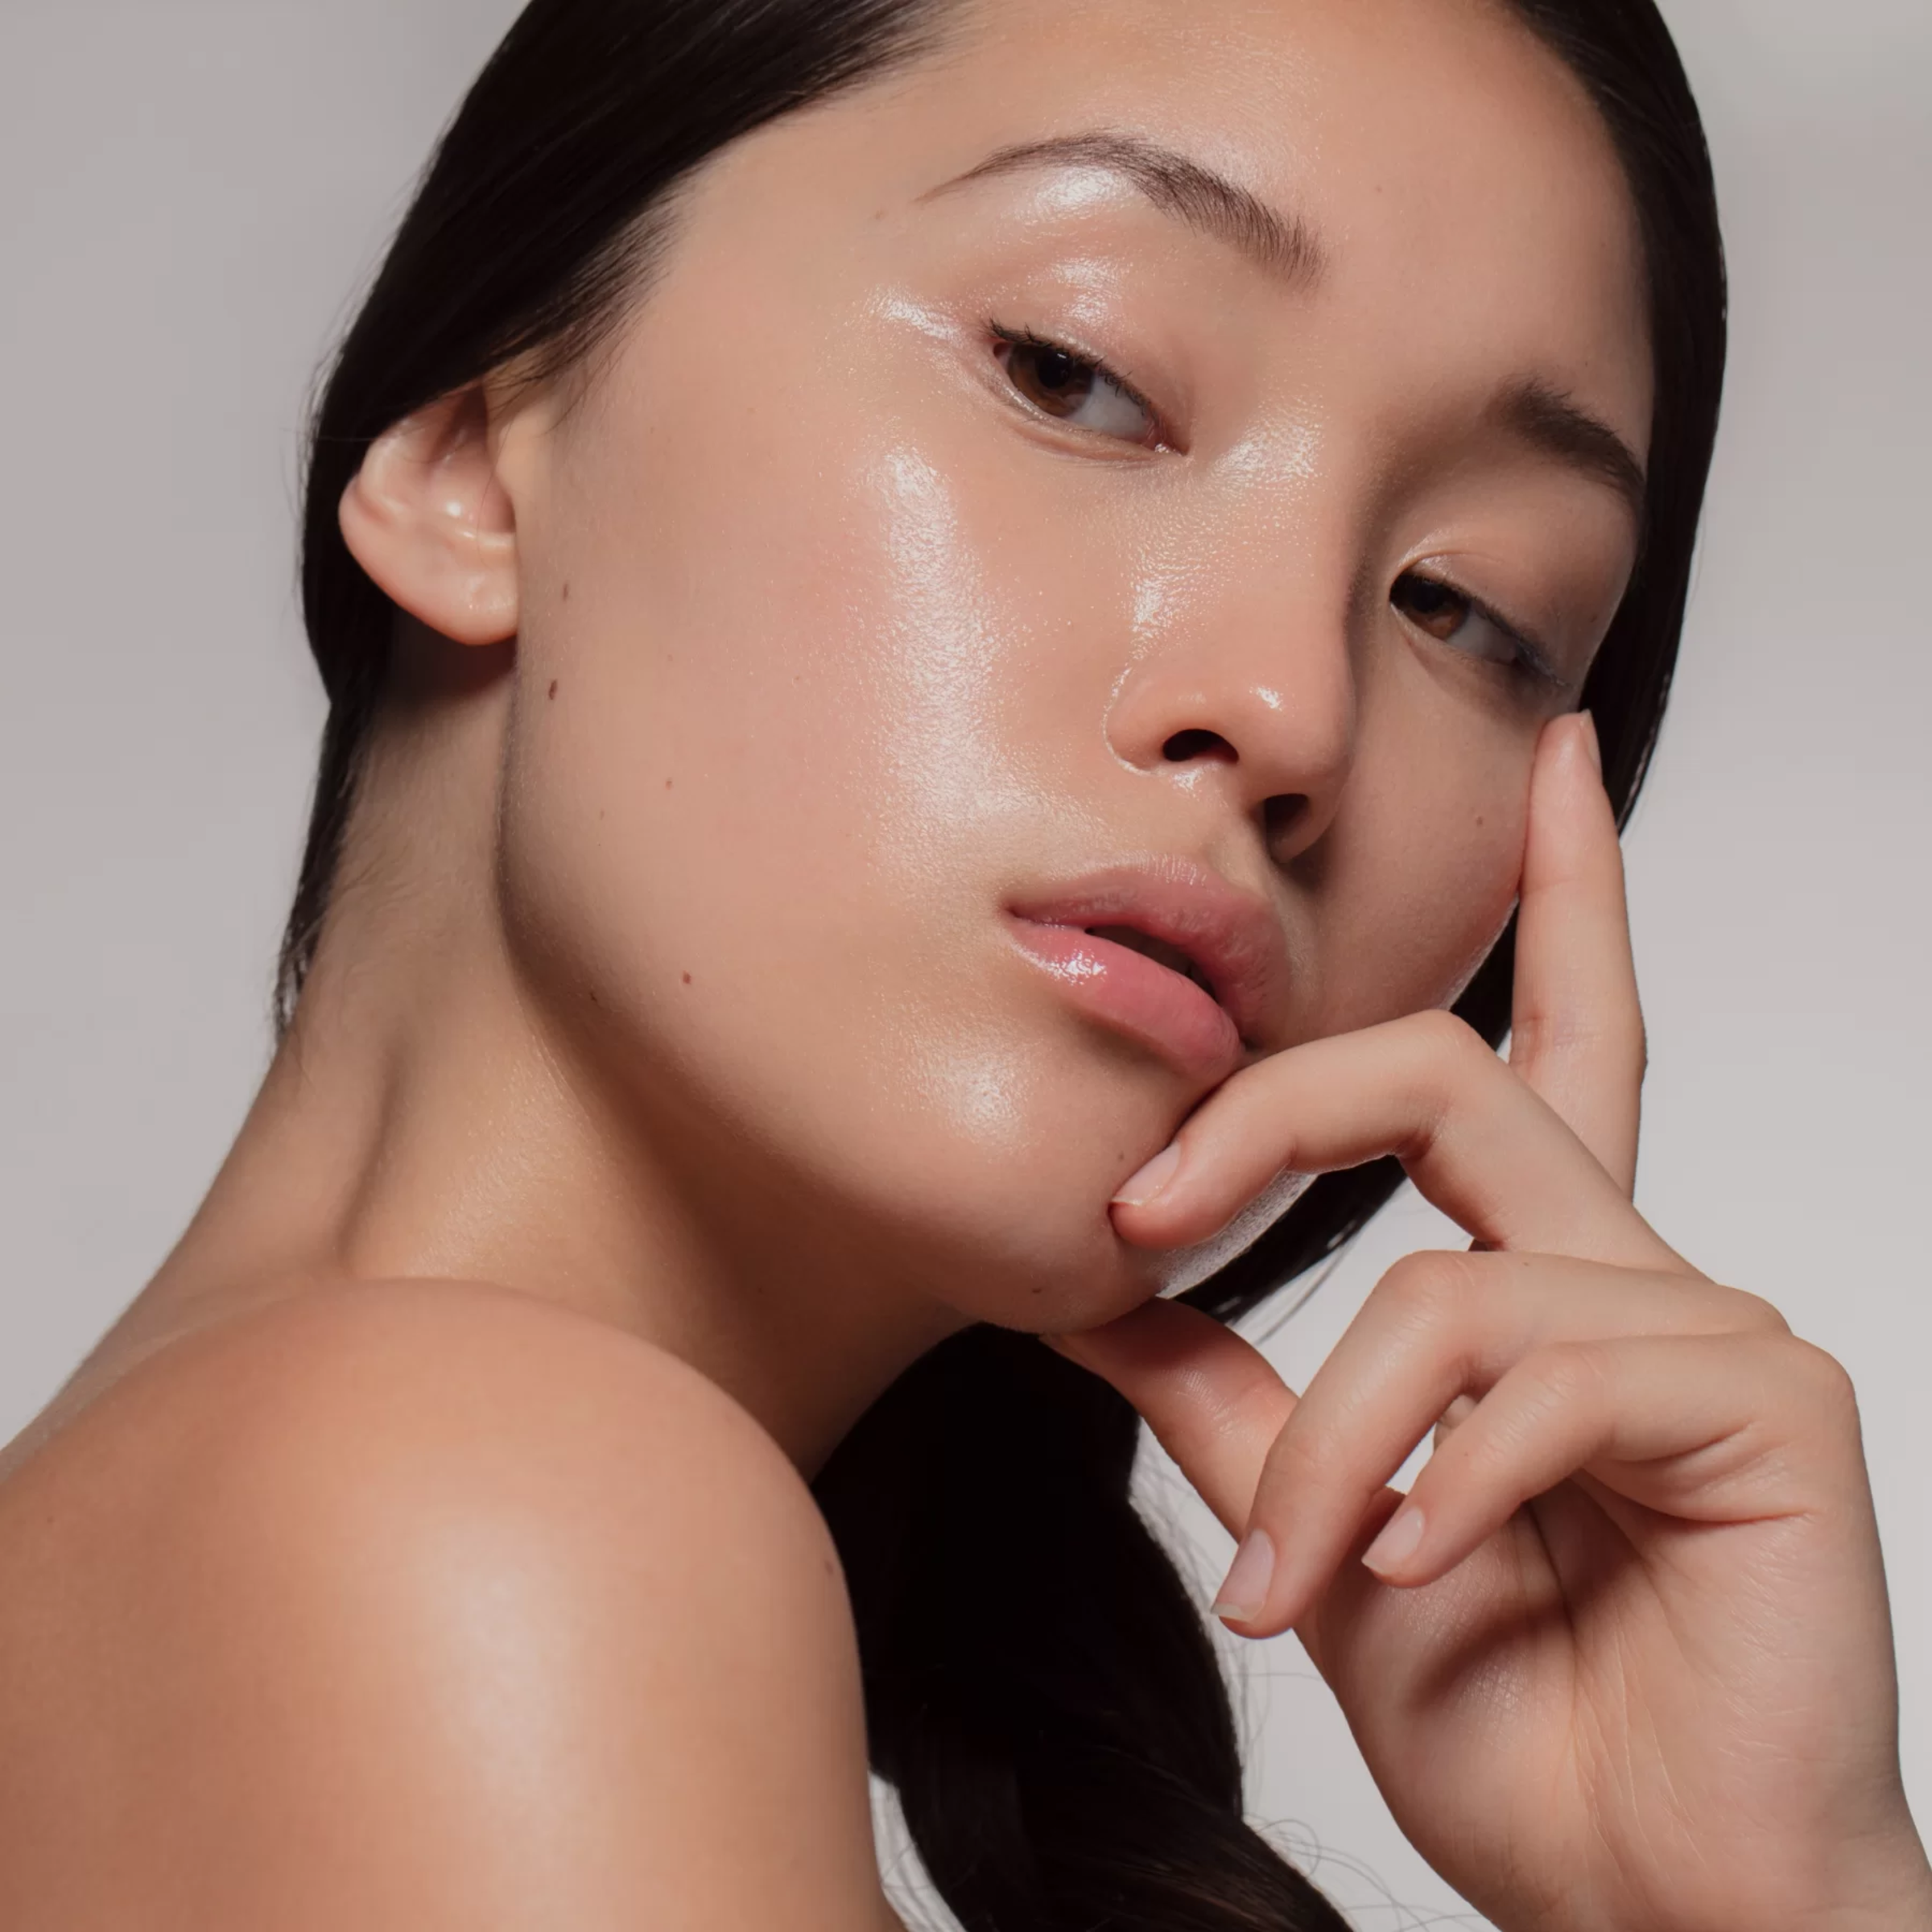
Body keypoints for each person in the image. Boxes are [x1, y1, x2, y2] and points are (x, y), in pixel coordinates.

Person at [0, 0, 1925, 1925]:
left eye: (1472, 610)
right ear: (471, 460)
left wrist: (1751, 1896)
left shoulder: (204, 1540)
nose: (1291, 703)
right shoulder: (466, 1518)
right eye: (1078, 375)